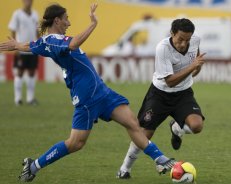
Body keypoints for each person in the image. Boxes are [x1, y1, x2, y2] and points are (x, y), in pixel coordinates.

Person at [0, 3, 176, 182]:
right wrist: (93, 23)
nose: (68, 23)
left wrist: (16, 44)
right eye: (66, 19)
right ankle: (33, 166)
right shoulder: (53, 40)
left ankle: (160, 159)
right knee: (75, 143)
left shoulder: (47, 41)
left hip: (102, 91)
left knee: (132, 123)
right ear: (57, 20)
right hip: (86, 98)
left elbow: (30, 46)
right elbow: (74, 43)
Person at [117, 18, 206, 179]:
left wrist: (195, 68)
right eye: (180, 39)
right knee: (144, 135)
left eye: (187, 40)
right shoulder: (163, 48)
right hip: (160, 95)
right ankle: (125, 169)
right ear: (172, 33)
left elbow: (196, 63)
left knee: (197, 126)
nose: (184, 44)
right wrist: (192, 67)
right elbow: (170, 81)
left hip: (183, 94)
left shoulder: (195, 41)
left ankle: (177, 128)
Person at [8, 0, 39, 105]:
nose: (28, 2)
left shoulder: (35, 14)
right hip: (21, 48)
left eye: (30, 0)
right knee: (20, 72)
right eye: (26, 0)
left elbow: (37, 32)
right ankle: (18, 99)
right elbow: (13, 30)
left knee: (31, 72)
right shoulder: (17, 14)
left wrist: (39, 46)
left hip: (32, 48)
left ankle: (30, 99)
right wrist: (15, 47)